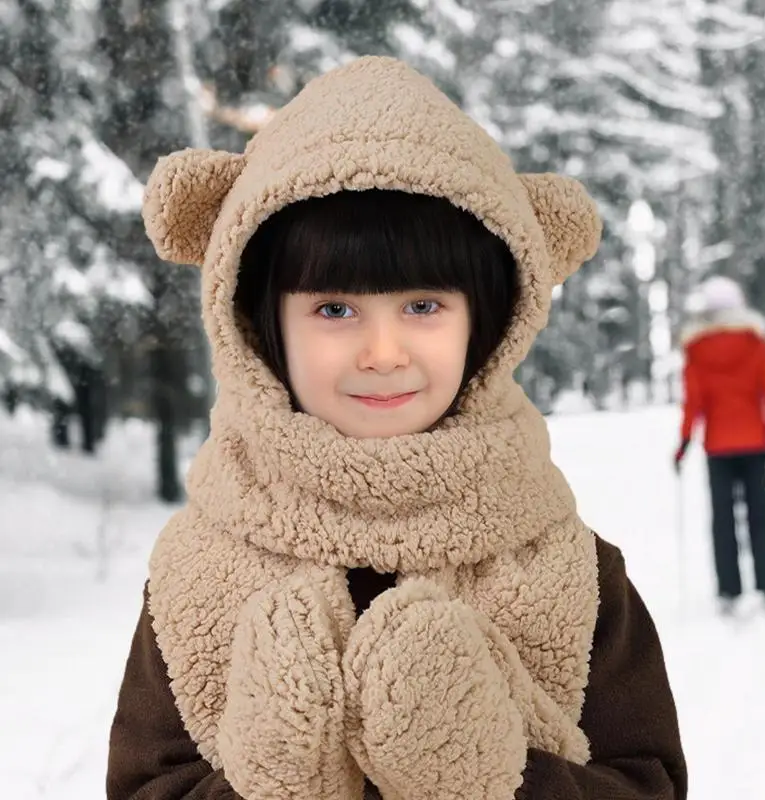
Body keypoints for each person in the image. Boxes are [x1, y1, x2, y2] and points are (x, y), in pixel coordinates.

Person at [107, 56, 687, 800]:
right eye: (335, 310)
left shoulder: (569, 571)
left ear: (490, 321)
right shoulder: (200, 576)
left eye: (422, 306)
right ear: (260, 326)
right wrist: (274, 783)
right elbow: (145, 785)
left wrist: (495, 778)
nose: (383, 354)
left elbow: (649, 782)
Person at [674, 275, 765, 616]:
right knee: (760, 516)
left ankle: (729, 591)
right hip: (756, 442)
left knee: (722, 521)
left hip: (718, 446)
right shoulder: (756, 342)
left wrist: (684, 443)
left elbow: (694, 403)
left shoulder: (696, 349)